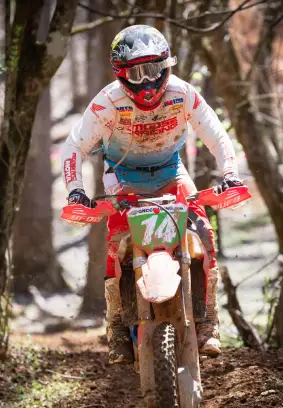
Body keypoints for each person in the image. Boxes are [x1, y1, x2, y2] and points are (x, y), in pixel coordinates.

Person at [61, 25, 244, 365]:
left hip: (170, 171)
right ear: (121, 74)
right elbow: (74, 145)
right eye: (136, 73)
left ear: (168, 65)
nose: (147, 82)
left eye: (154, 69)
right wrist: (75, 191)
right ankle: (117, 325)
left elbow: (216, 133)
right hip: (122, 177)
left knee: (203, 231)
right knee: (117, 240)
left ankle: (208, 320)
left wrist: (230, 173)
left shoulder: (183, 94)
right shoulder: (107, 102)